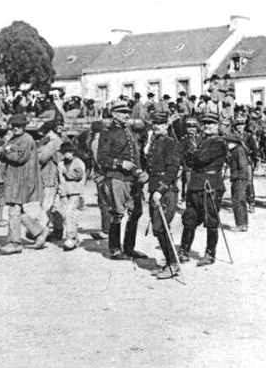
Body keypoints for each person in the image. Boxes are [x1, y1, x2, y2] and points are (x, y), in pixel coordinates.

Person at [97, 101, 149, 260]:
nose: (127, 115)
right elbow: (102, 158)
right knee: (117, 213)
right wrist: (120, 163)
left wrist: (139, 171)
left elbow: (137, 154)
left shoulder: (130, 131)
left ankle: (129, 248)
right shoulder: (107, 132)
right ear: (113, 114)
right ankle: (114, 249)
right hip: (117, 177)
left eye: (128, 112)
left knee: (136, 212)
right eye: (122, 112)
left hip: (132, 178)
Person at [179, 112, 228, 266]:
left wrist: (194, 154)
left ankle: (210, 254)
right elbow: (188, 159)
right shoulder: (202, 142)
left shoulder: (219, 142)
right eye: (205, 123)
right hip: (195, 184)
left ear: (217, 126)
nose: (207, 126)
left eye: (211, 124)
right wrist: (194, 155)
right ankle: (184, 250)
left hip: (211, 186)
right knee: (190, 218)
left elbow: (199, 158)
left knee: (211, 220)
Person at [0, 114, 48, 255]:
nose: (15, 128)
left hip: (22, 179)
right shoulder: (14, 139)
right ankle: (38, 232)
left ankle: (15, 243)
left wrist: (5, 152)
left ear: (24, 126)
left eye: (18, 126)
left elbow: (20, 158)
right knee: (17, 209)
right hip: (13, 178)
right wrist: (3, 152)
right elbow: (4, 154)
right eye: (13, 126)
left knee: (13, 209)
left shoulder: (26, 139)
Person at [144, 112, 183, 278]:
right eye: (154, 123)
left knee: (161, 227)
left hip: (166, 191)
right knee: (158, 228)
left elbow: (172, 170)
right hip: (155, 189)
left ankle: (173, 265)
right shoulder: (155, 141)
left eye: (160, 123)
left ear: (166, 125)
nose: (156, 126)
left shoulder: (170, 143)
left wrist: (160, 191)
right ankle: (169, 262)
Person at [57, 141, 86, 251]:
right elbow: (58, 177)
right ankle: (75, 238)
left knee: (69, 213)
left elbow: (77, 175)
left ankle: (70, 237)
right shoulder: (60, 163)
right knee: (67, 215)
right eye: (64, 152)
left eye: (68, 152)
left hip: (75, 191)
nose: (66, 154)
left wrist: (65, 172)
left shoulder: (78, 162)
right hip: (64, 192)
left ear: (73, 152)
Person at [226, 135, 251, 231]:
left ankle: (240, 224)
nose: (227, 144)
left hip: (239, 179)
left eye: (229, 142)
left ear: (234, 143)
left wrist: (240, 178)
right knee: (240, 200)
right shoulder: (236, 150)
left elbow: (243, 165)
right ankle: (243, 224)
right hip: (239, 179)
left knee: (238, 201)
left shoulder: (238, 150)